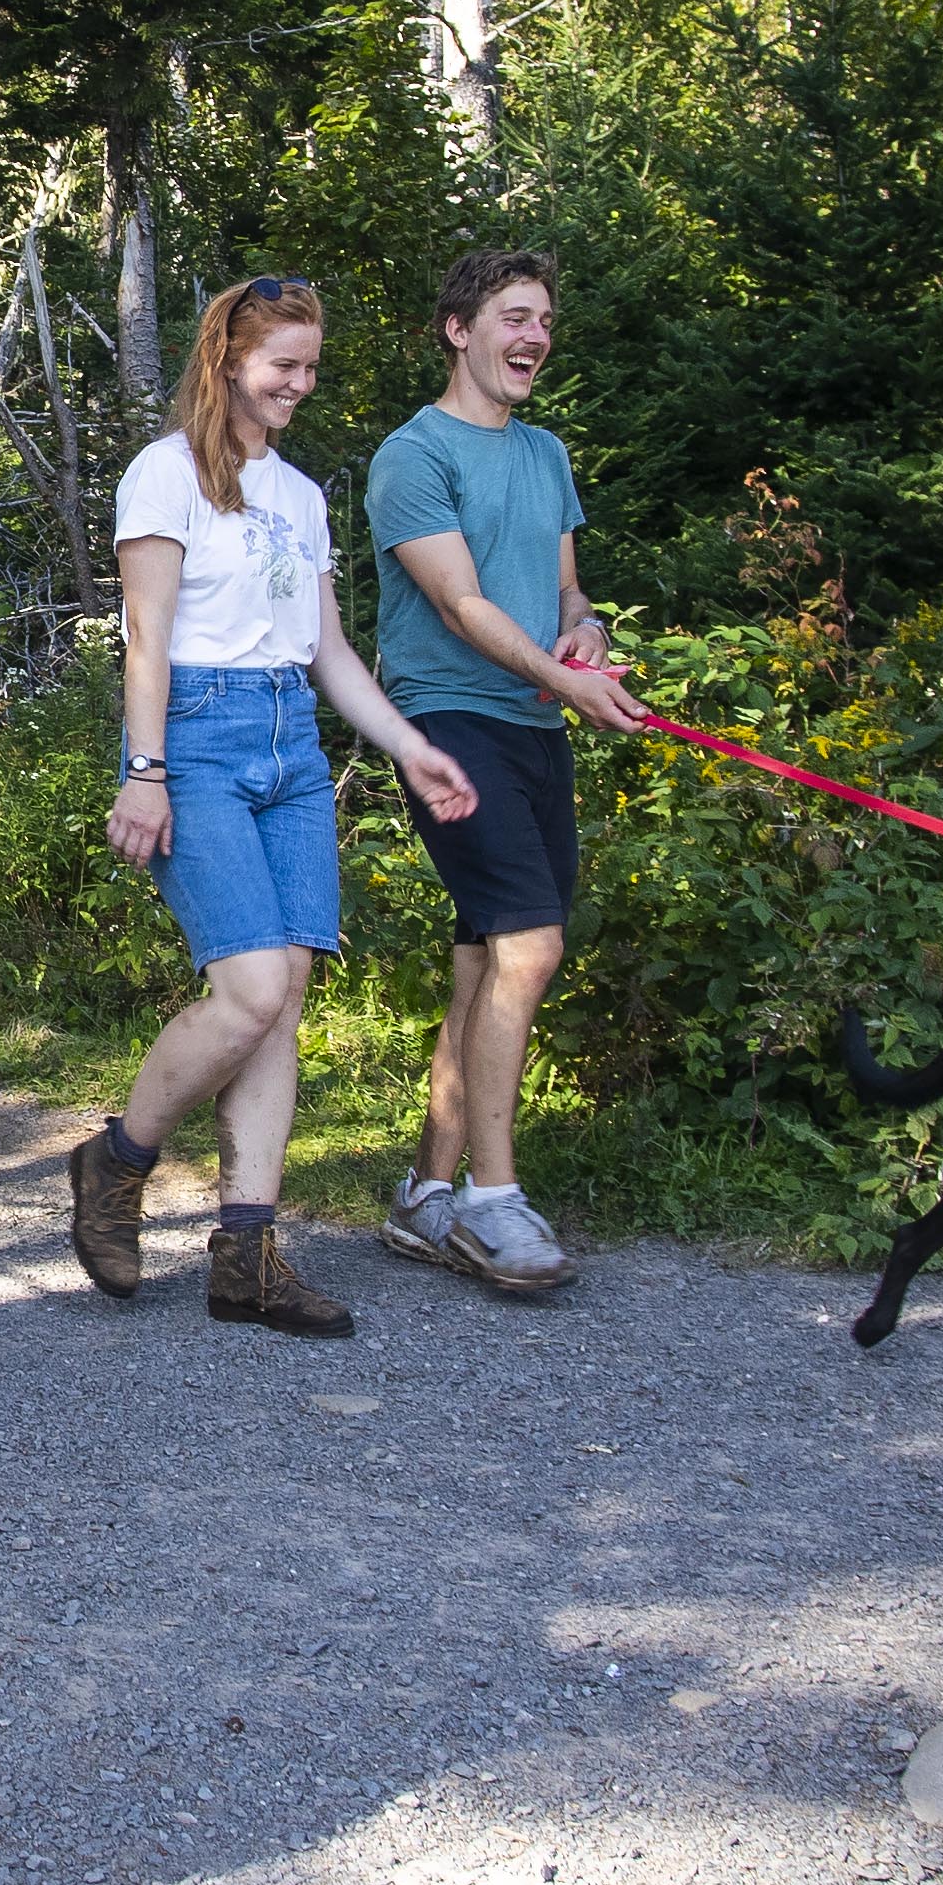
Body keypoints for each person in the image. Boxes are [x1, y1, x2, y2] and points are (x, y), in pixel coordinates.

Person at [66, 275, 488, 1337]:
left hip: (288, 744)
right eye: (281, 367)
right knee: (249, 988)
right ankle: (115, 1163)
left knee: (286, 990)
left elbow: (328, 653)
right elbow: (146, 638)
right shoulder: (162, 477)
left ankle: (244, 1256)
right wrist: (145, 768)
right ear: (226, 362)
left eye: (308, 367)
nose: (299, 385)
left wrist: (409, 746)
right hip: (194, 741)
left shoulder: (298, 496)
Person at [363, 246, 645, 1292]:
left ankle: (424, 1197)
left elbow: (566, 593)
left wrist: (587, 640)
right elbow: (458, 604)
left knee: (487, 955)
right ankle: (494, 1201)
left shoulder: (544, 453)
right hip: (445, 720)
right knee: (531, 942)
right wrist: (557, 677)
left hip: (535, 726)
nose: (531, 339)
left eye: (541, 323)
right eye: (511, 318)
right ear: (458, 329)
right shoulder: (412, 455)